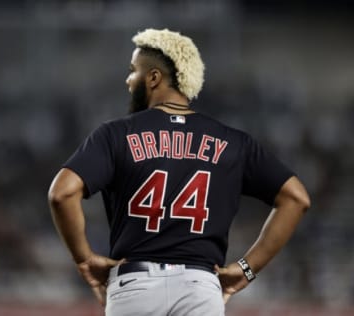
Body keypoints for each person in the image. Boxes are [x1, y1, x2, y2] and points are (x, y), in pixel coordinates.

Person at [48, 28, 310, 316]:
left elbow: (62, 193)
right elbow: (296, 199)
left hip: (135, 286)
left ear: (154, 78)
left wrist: (84, 259)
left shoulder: (115, 134)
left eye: (133, 70)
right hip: (199, 288)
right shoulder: (234, 141)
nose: (128, 79)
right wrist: (245, 270)